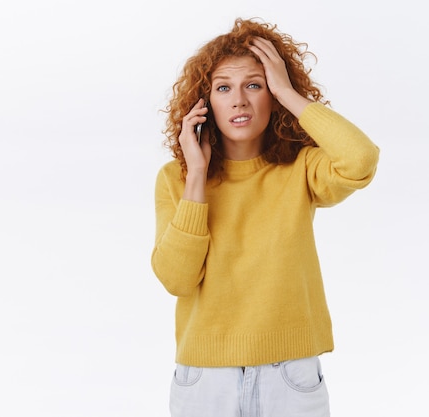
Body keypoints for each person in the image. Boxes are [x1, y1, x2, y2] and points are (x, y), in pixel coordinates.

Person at [151, 18, 379, 417]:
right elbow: (176, 278)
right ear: (204, 104)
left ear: (272, 95)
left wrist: (287, 92)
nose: (238, 100)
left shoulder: (301, 168)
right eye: (223, 88)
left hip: (290, 375)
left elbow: (360, 160)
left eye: (254, 85)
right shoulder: (179, 178)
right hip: (206, 379)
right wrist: (198, 177)